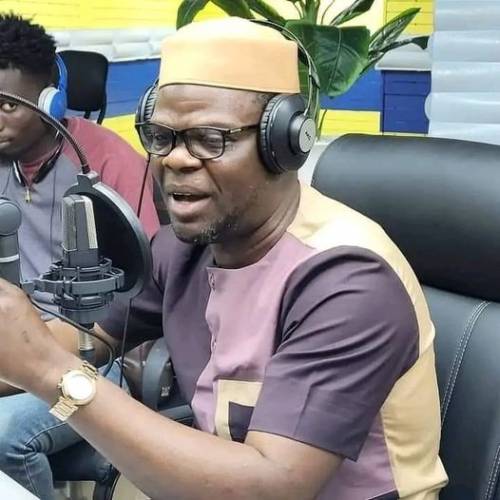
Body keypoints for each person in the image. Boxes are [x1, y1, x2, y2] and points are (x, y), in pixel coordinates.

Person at [0, 17, 447, 500]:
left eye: (210, 139)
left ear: (282, 143)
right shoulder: (183, 249)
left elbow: (273, 484)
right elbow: (87, 337)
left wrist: (50, 372)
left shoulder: (348, 281)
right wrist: (26, 347)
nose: (175, 159)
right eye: (162, 136)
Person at [0, 13, 159, 500]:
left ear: (51, 100)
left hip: (93, 367)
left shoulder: (107, 164)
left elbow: (147, 289)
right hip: (14, 344)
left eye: (8, 105)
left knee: (5, 437)